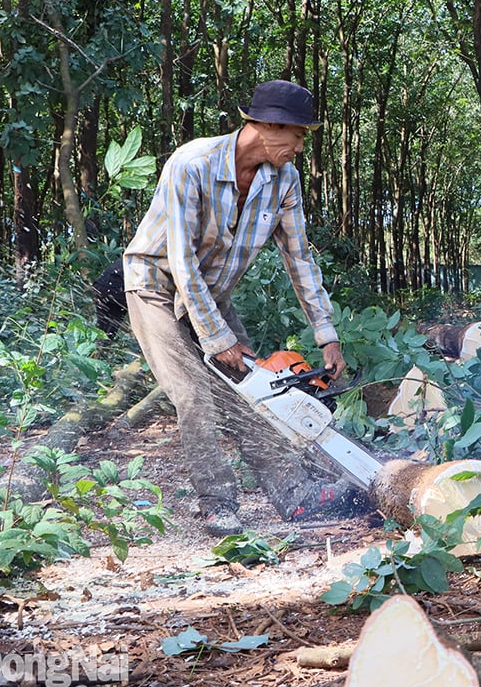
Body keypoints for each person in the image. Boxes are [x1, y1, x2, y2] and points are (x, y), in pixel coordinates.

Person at [123, 80, 348, 536]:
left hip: (212, 293)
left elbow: (300, 259)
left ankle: (294, 493)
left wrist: (326, 334)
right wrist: (217, 338)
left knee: (255, 390)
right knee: (194, 395)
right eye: (297, 136)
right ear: (268, 125)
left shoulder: (284, 180)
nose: (300, 147)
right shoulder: (192, 163)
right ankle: (216, 504)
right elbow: (182, 261)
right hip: (156, 286)